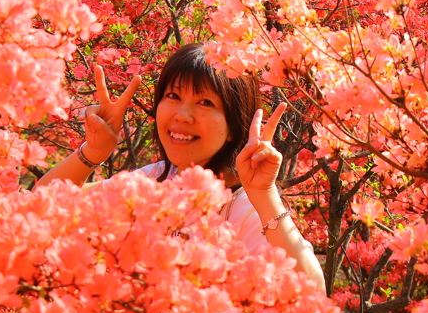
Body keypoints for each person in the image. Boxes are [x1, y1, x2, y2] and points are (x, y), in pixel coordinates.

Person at [37, 42, 325, 289]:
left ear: (235, 125)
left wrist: (264, 195)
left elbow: (309, 292)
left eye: (205, 102)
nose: (183, 115)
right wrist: (93, 151)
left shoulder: (245, 209)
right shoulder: (155, 181)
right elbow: (43, 207)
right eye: (173, 96)